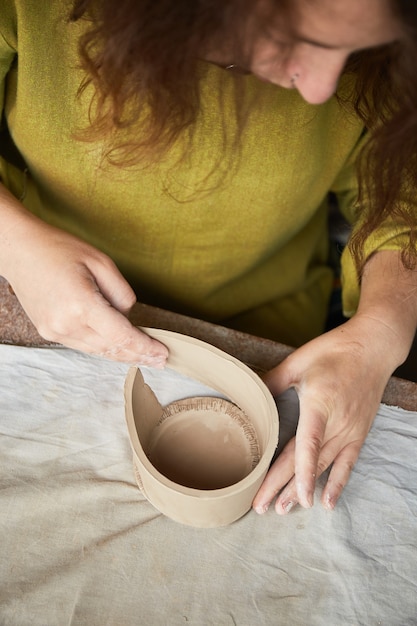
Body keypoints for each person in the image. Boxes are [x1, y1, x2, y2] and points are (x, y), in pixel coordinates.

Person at [1, 0, 417, 516]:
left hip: (283, 333)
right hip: (46, 302)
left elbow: (402, 189)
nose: (321, 90)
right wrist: (12, 241)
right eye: (292, 42)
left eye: (356, 52)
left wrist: (384, 327)